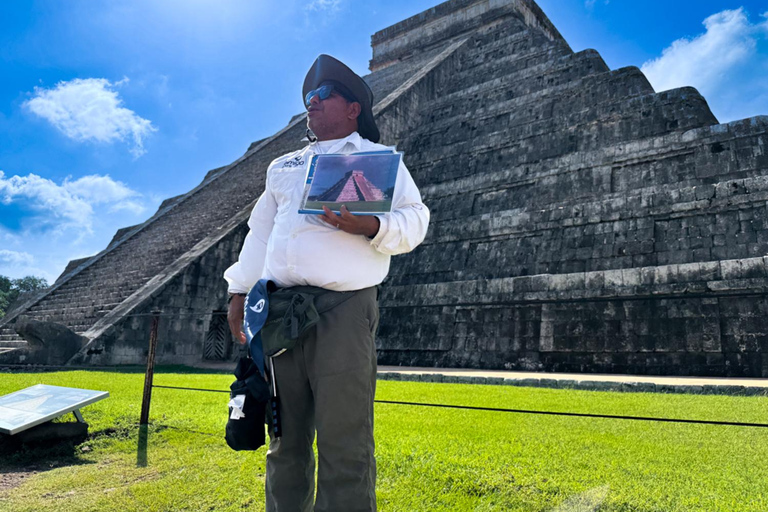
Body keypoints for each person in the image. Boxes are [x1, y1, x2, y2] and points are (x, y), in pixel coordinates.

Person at [224, 54, 430, 512]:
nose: (310, 105)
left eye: (322, 96)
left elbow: (416, 219)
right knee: (285, 439)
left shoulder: (377, 160)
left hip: (344, 309)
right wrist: (240, 289)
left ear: (353, 107)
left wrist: (371, 229)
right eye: (307, 99)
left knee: (345, 441)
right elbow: (261, 232)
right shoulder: (284, 166)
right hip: (279, 314)